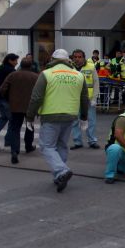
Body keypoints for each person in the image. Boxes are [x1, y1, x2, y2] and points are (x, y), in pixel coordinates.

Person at [26, 48, 89, 193]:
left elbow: (36, 97)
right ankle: (59, 176)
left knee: (47, 146)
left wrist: (30, 116)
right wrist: (84, 117)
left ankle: (61, 171)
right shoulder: (78, 75)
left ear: (52, 60)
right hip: (70, 116)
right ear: (68, 60)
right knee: (61, 145)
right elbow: (84, 98)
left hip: (51, 115)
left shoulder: (47, 74)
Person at [0, 57, 38, 164]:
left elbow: (2, 89)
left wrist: (8, 98)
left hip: (15, 106)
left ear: (20, 65)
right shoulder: (36, 77)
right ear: (31, 66)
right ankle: (28, 146)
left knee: (15, 129)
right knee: (29, 126)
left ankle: (14, 151)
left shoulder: (13, 75)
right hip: (30, 106)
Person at [70, 49, 100, 150]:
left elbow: (96, 83)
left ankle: (92, 141)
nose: (77, 59)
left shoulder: (91, 67)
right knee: (75, 121)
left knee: (91, 121)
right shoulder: (70, 68)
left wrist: (95, 98)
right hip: (74, 99)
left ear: (84, 57)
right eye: (75, 57)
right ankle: (77, 142)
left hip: (88, 99)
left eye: (80, 57)